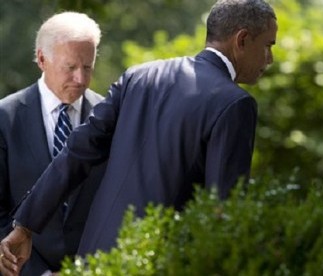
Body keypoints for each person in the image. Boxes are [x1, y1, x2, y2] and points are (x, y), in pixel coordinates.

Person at [0, 0, 277, 274]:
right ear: (242, 39)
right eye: (267, 45)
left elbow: (76, 152)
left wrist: (24, 225)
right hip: (157, 262)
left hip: (95, 263)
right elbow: (222, 209)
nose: (270, 59)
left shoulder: (139, 76)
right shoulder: (235, 104)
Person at [0, 12, 106, 275]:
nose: (81, 79)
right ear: (42, 59)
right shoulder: (5, 118)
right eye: (70, 67)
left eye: (88, 67)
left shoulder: (110, 118)